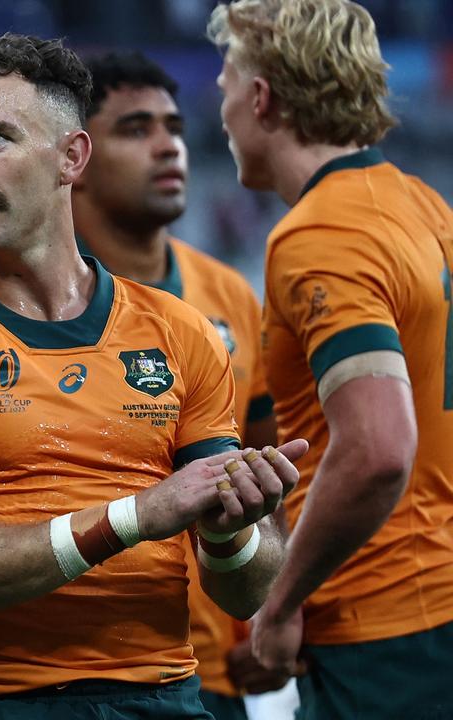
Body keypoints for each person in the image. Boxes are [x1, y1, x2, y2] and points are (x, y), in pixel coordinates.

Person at [0, 33, 307, 718]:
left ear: (72, 157)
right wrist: (134, 516)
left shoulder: (181, 332)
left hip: (165, 699)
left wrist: (235, 530)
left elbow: (243, 591)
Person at [209, 2, 453, 717]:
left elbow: (377, 447)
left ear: (259, 98)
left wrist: (281, 606)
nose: (219, 108)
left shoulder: (320, 232)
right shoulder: (425, 208)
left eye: (224, 82)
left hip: (388, 629)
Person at [72, 50, 286, 720]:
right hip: (65, 672)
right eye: (135, 129)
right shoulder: (14, 300)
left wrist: (276, 609)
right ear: (72, 158)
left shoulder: (228, 294)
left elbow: (267, 475)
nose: (168, 146)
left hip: (209, 671)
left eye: (173, 127)